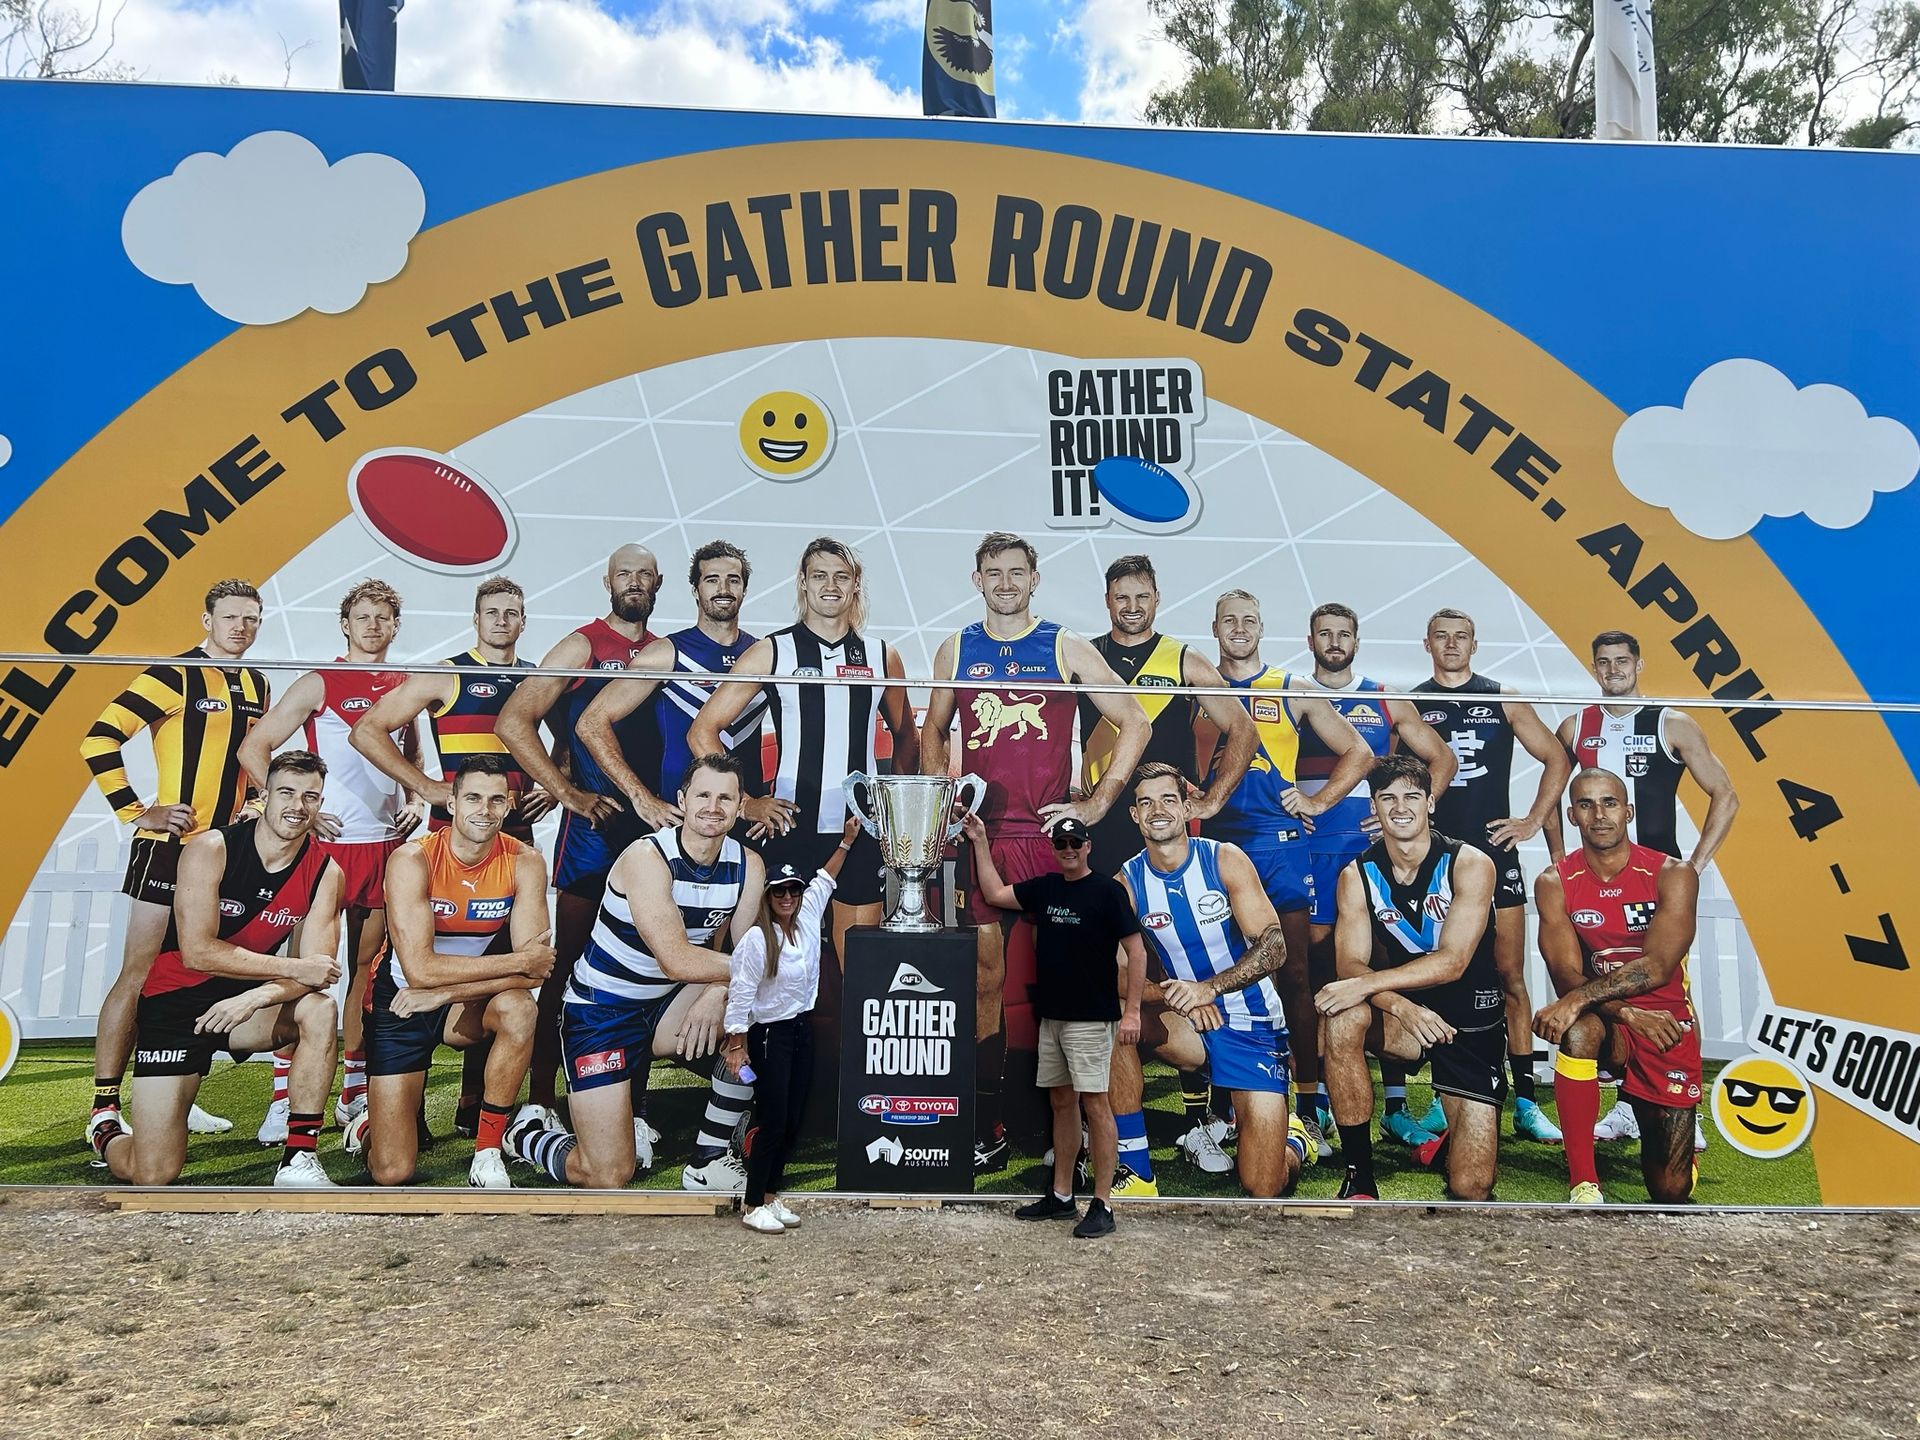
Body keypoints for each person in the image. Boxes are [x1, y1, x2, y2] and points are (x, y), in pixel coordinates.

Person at [921, 531, 1150, 1172]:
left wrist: (1099, 804)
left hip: (1054, 843)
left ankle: (1073, 1135)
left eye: (1015, 571)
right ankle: (986, 1121)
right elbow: (934, 729)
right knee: (986, 982)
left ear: (1034, 578)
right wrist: (943, 799)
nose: (1004, 582)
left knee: (1074, 983)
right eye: (993, 572)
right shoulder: (956, 647)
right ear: (977, 579)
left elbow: (1136, 721)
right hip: (984, 839)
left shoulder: (1063, 645)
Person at [351, 574, 556, 1139]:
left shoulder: (536, 680)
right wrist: (427, 786)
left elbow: (570, 736)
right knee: (414, 955)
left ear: (523, 620)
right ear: (476, 616)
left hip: (514, 841)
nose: (502, 621)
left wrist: (553, 782)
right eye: (493, 611)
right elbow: (367, 731)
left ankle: (475, 1105)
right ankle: (400, 1105)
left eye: (512, 612)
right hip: (449, 839)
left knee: (505, 967)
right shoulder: (447, 672)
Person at [507, 752, 768, 1194]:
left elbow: (754, 954)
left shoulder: (748, 865)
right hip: (602, 1013)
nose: (713, 806)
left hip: (667, 1007)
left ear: (741, 805)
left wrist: (722, 988)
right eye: (703, 794)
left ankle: (707, 1160)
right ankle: (528, 1137)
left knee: (758, 1009)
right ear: (682, 801)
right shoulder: (647, 857)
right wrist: (729, 977)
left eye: (726, 798)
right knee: (607, 1175)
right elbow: (676, 959)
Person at [86, 750, 344, 1188]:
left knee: (318, 1009)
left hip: (248, 1005)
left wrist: (258, 994)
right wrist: (288, 969)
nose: (297, 807)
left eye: (310, 797)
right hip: (177, 1001)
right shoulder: (212, 847)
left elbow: (315, 974)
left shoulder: (325, 870)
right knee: (153, 1173)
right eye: (286, 793)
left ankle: (298, 1158)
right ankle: (106, 1132)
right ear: (264, 794)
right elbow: (198, 953)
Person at [80, 578, 270, 1141]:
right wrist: (138, 810)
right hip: (167, 851)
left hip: (222, 857)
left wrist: (257, 803)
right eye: (231, 617)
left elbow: (255, 757)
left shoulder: (257, 682)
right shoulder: (171, 673)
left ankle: (177, 1098)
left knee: (194, 976)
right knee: (138, 975)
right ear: (207, 620)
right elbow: (98, 738)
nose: (241, 627)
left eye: (252, 619)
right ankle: (104, 1110)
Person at [237, 579, 423, 1145]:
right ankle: (281, 1095)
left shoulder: (406, 686)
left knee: (365, 972)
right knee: (303, 970)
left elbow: (413, 759)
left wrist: (416, 799)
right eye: (362, 616)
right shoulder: (321, 681)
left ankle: (353, 1088)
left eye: (382, 618)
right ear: (345, 624)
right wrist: (298, 809)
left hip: (380, 847)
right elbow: (254, 748)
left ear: (395, 627)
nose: (372, 626)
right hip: (322, 848)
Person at [1201, 588, 1372, 1167]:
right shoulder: (1198, 689)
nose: (1240, 629)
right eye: (1230, 621)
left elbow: (1360, 752)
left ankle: (1310, 1101)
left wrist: (1320, 801)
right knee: (1223, 975)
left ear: (1262, 628)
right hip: (1217, 846)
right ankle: (1225, 1109)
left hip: (1279, 848)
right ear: (1216, 628)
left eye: (1250, 620)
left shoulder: (1290, 687)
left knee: (1294, 974)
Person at [688, 537, 914, 965]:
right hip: (790, 828)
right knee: (778, 965)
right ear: (803, 584)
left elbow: (907, 736)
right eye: (820, 576)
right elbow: (703, 731)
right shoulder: (773, 651)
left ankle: (850, 1035)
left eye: (841, 576)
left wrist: (896, 810)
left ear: (855, 585)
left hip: (859, 827)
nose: (830, 585)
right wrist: (747, 803)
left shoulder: (883, 655)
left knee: (859, 965)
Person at [495, 544, 662, 1121]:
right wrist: (567, 792)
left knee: (637, 968)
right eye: (624, 574)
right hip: (594, 830)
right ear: (606, 581)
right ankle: (540, 1102)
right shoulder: (583, 645)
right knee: (566, 966)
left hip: (650, 828)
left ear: (659, 582)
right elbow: (512, 721)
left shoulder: (665, 651)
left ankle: (631, 1104)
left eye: (644, 574)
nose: (635, 582)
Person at [1555, 629, 1736, 1147]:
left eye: (1622, 661)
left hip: (1655, 882)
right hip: (1595, 877)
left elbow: (1725, 794)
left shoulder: (1671, 722)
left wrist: (1694, 866)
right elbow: (1553, 790)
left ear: (1639, 664)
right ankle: (1629, 1105)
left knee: (1667, 987)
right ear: (1594, 668)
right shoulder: (1576, 725)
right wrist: (1551, 853)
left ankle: (1684, 1103)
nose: (1613, 670)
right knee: (1601, 978)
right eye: (1603, 662)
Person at [1406, 607, 1573, 1147]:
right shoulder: (1412, 703)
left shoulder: (1501, 695)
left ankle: (1525, 1099)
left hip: (1495, 854)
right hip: (1436, 861)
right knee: (1440, 976)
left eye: (1461, 637)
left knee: (1510, 977)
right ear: (1426, 643)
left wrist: (1529, 820)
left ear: (1474, 646)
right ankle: (1442, 1096)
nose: (1451, 645)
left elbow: (1557, 759)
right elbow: (1391, 774)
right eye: (1442, 636)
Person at [348, 755, 554, 1189]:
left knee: (520, 1010)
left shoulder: (524, 860)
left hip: (457, 1002)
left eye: (497, 800)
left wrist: (443, 994)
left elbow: (537, 976)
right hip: (401, 1001)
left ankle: (488, 1150)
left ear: (508, 806)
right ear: (453, 803)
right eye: (474, 798)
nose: (486, 809)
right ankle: (366, 1127)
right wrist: (517, 962)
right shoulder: (413, 859)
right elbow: (420, 969)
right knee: (392, 1171)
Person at [1295, 601, 1456, 1148]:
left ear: (1357, 641)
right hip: (1310, 851)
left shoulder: (1385, 695)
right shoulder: (1292, 692)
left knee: (1381, 962)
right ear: (1311, 639)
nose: (1335, 641)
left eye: (1344, 633)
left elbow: (1443, 760)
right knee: (1315, 969)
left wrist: (1402, 811)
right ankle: (1311, 1100)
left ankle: (1394, 1105)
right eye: (1325, 633)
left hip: (1368, 854)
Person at [1114, 761, 1314, 1201]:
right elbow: (1110, 976)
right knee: (1113, 1024)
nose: (1157, 810)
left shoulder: (1224, 859)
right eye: (1145, 803)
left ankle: (1296, 1139)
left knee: (1264, 1185)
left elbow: (1274, 946)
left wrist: (1210, 989)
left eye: (1168, 800)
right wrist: (1177, 997)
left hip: (1251, 1023)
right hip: (1190, 1025)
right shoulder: (1126, 882)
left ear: (1187, 807)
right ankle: (1137, 1169)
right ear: (1134, 816)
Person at [1319, 754, 1505, 1201]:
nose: (1400, 808)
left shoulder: (1469, 862)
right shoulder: (1357, 875)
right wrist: (1400, 1004)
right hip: (1406, 1020)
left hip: (1467, 1024)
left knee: (1471, 1186)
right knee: (1343, 1020)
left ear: (1430, 803)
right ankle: (1359, 1175)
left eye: (1411, 796)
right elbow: (1350, 965)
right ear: (1374, 808)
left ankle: (1450, 1143)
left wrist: (1368, 985)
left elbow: (1453, 961)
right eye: (1387, 798)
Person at [961, 810, 1146, 1238]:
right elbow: (993, 892)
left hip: (1092, 1017)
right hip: (1053, 1018)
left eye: (1074, 844)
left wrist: (1133, 1010)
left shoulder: (1106, 891)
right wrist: (980, 840)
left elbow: (1136, 952)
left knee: (1095, 1105)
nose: (1067, 850)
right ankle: (1062, 1195)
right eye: (1060, 845)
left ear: (1087, 847)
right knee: (1062, 1104)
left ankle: (1102, 1203)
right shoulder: (1045, 889)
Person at [1533, 768, 1703, 1204]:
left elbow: (1659, 967)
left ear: (1628, 811)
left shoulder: (1673, 873)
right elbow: (1566, 974)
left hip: (1667, 1024)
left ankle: (1659, 1122)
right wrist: (1627, 1013)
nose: (1599, 815)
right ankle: (1584, 1183)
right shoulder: (1555, 883)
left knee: (1670, 1188)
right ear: (1572, 815)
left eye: (1609, 803)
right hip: (1612, 1022)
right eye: (1586, 804)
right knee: (1577, 1030)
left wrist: (1579, 1000)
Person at [723, 818, 862, 1235]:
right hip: (770, 1035)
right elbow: (741, 992)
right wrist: (736, 1044)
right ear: (768, 896)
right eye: (779, 891)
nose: (788, 896)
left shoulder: (807, 917)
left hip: (802, 1029)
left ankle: (769, 1195)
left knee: (795, 1115)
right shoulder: (755, 940)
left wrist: (847, 841)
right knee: (772, 1116)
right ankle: (751, 1203)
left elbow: (825, 878)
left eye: (793, 890)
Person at [577, 540, 769, 832]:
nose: (723, 589)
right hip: (681, 817)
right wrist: (640, 797)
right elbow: (591, 723)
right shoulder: (666, 652)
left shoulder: (764, 654)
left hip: (747, 814)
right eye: (712, 580)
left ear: (744, 588)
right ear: (696, 589)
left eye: (733, 580)